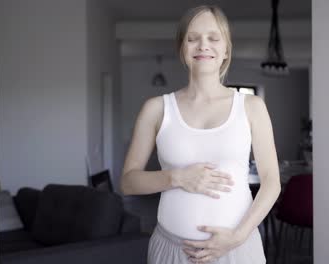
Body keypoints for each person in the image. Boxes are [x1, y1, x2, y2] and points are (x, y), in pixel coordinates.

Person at [120, 5, 281, 264]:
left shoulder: (252, 107)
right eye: (193, 38)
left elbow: (272, 182)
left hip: (238, 250)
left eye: (213, 38)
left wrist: (238, 237)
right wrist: (177, 177)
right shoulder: (156, 109)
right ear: (182, 48)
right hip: (170, 252)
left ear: (226, 49)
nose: (203, 45)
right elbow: (128, 182)